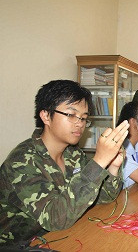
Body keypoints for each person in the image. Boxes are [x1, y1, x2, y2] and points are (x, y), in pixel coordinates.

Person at [0, 80, 129, 246]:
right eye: (71, 115)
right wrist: (98, 161)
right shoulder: (22, 161)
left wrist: (113, 166)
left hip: (58, 237)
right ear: (46, 115)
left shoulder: (72, 153)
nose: (79, 123)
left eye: (84, 118)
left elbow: (104, 197)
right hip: (19, 245)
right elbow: (55, 219)